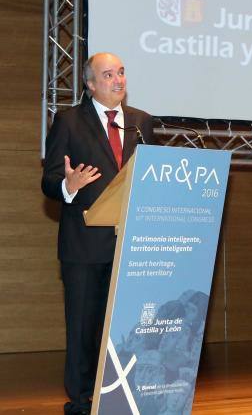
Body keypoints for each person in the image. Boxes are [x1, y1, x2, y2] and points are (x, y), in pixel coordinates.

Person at [41, 52, 156, 415]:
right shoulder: (70, 122)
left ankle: (122, 397)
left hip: (131, 243)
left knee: (125, 330)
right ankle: (81, 402)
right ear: (90, 84)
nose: (118, 80)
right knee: (83, 328)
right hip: (84, 246)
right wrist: (68, 186)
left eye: (121, 72)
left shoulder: (142, 123)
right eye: (108, 75)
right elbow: (49, 181)